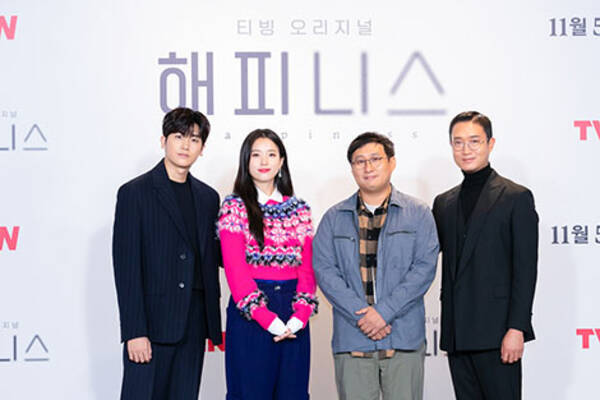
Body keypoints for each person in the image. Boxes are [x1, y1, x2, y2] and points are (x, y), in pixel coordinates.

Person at [313, 132, 439, 400]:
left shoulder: (418, 213)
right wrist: (363, 316)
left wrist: (384, 312)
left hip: (403, 339)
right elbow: (325, 271)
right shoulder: (333, 218)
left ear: (392, 162)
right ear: (352, 168)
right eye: (360, 161)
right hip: (353, 340)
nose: (368, 167)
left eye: (375, 159)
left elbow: (423, 269)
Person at [112, 107, 222, 399]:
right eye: (178, 137)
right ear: (163, 141)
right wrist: (135, 331)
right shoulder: (134, 193)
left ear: (202, 148)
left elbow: (215, 255)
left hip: (194, 324)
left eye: (194, 139)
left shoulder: (208, 198)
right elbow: (127, 268)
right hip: (151, 327)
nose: (186, 145)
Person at [432, 111, 538, 400]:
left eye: (474, 141)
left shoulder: (516, 197)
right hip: (458, 334)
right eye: (458, 142)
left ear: (490, 144)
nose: (466, 149)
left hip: (498, 333)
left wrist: (517, 328)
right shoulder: (443, 203)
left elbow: (526, 269)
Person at [217, 129, 318, 400]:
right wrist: (268, 319)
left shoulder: (299, 209)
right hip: (251, 315)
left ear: (281, 161)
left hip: (293, 314)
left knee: (293, 393)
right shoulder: (234, 207)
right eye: (256, 155)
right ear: (246, 161)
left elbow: (307, 269)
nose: (264, 161)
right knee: (250, 393)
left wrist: (300, 316)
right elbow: (236, 272)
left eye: (271, 154)